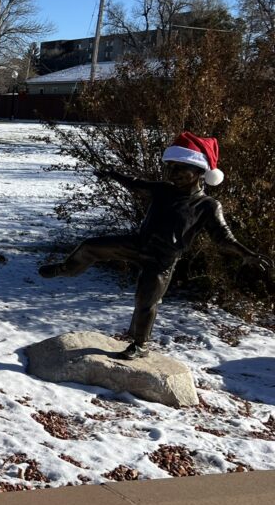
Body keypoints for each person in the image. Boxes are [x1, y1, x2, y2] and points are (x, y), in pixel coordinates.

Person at [39, 131, 271, 359]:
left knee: (146, 302)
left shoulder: (207, 205)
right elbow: (135, 183)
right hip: (136, 245)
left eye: (180, 168)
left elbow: (223, 237)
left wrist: (246, 254)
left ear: (199, 171)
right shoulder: (163, 190)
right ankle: (66, 269)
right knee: (89, 247)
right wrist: (112, 174)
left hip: (162, 261)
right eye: (170, 167)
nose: (173, 172)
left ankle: (140, 345)